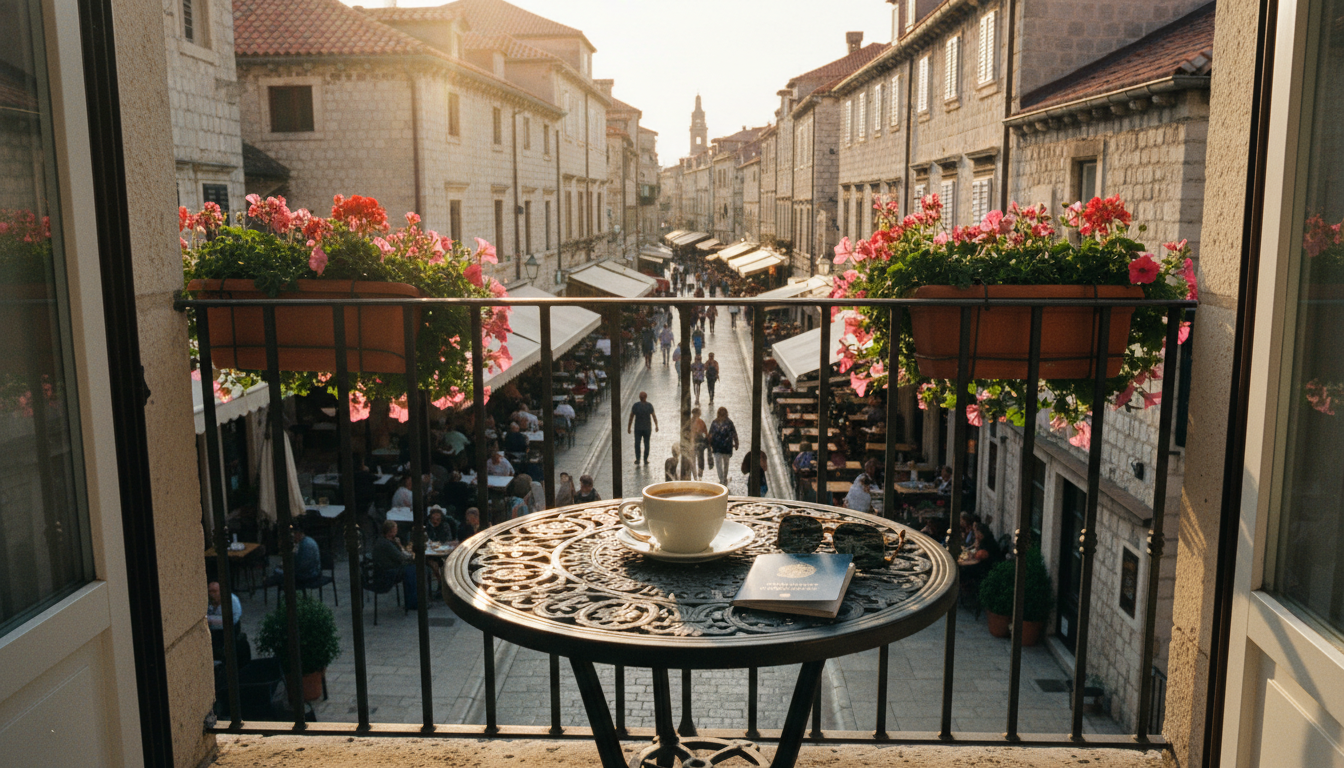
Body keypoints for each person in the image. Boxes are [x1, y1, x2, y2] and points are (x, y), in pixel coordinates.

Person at [372, 520, 417, 609]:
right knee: (412, 570)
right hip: (387, 573)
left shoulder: (385, 541)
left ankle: (413, 600)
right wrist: (412, 557)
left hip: (386, 569)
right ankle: (413, 602)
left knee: (412, 568)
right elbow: (401, 557)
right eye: (395, 530)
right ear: (390, 532)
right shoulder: (387, 544)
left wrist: (399, 545)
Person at [708, 407, 739, 485]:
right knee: (724, 464)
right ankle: (723, 479)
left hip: (719, 447)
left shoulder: (715, 423)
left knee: (720, 465)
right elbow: (734, 434)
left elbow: (710, 435)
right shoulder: (729, 423)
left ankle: (722, 479)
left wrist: (710, 445)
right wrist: (736, 443)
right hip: (725, 447)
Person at [627, 391, 658, 465]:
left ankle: (638, 458)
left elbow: (631, 417)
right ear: (646, 397)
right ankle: (645, 459)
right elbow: (654, 416)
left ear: (639, 397)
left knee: (637, 444)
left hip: (638, 428)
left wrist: (629, 427)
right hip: (647, 428)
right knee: (646, 444)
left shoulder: (636, 406)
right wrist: (656, 425)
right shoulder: (649, 405)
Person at [687, 406, 709, 479]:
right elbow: (706, 433)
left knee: (694, 460)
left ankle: (696, 476)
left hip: (694, 444)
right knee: (699, 460)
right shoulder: (700, 422)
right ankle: (698, 476)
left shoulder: (691, 422)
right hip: (698, 444)